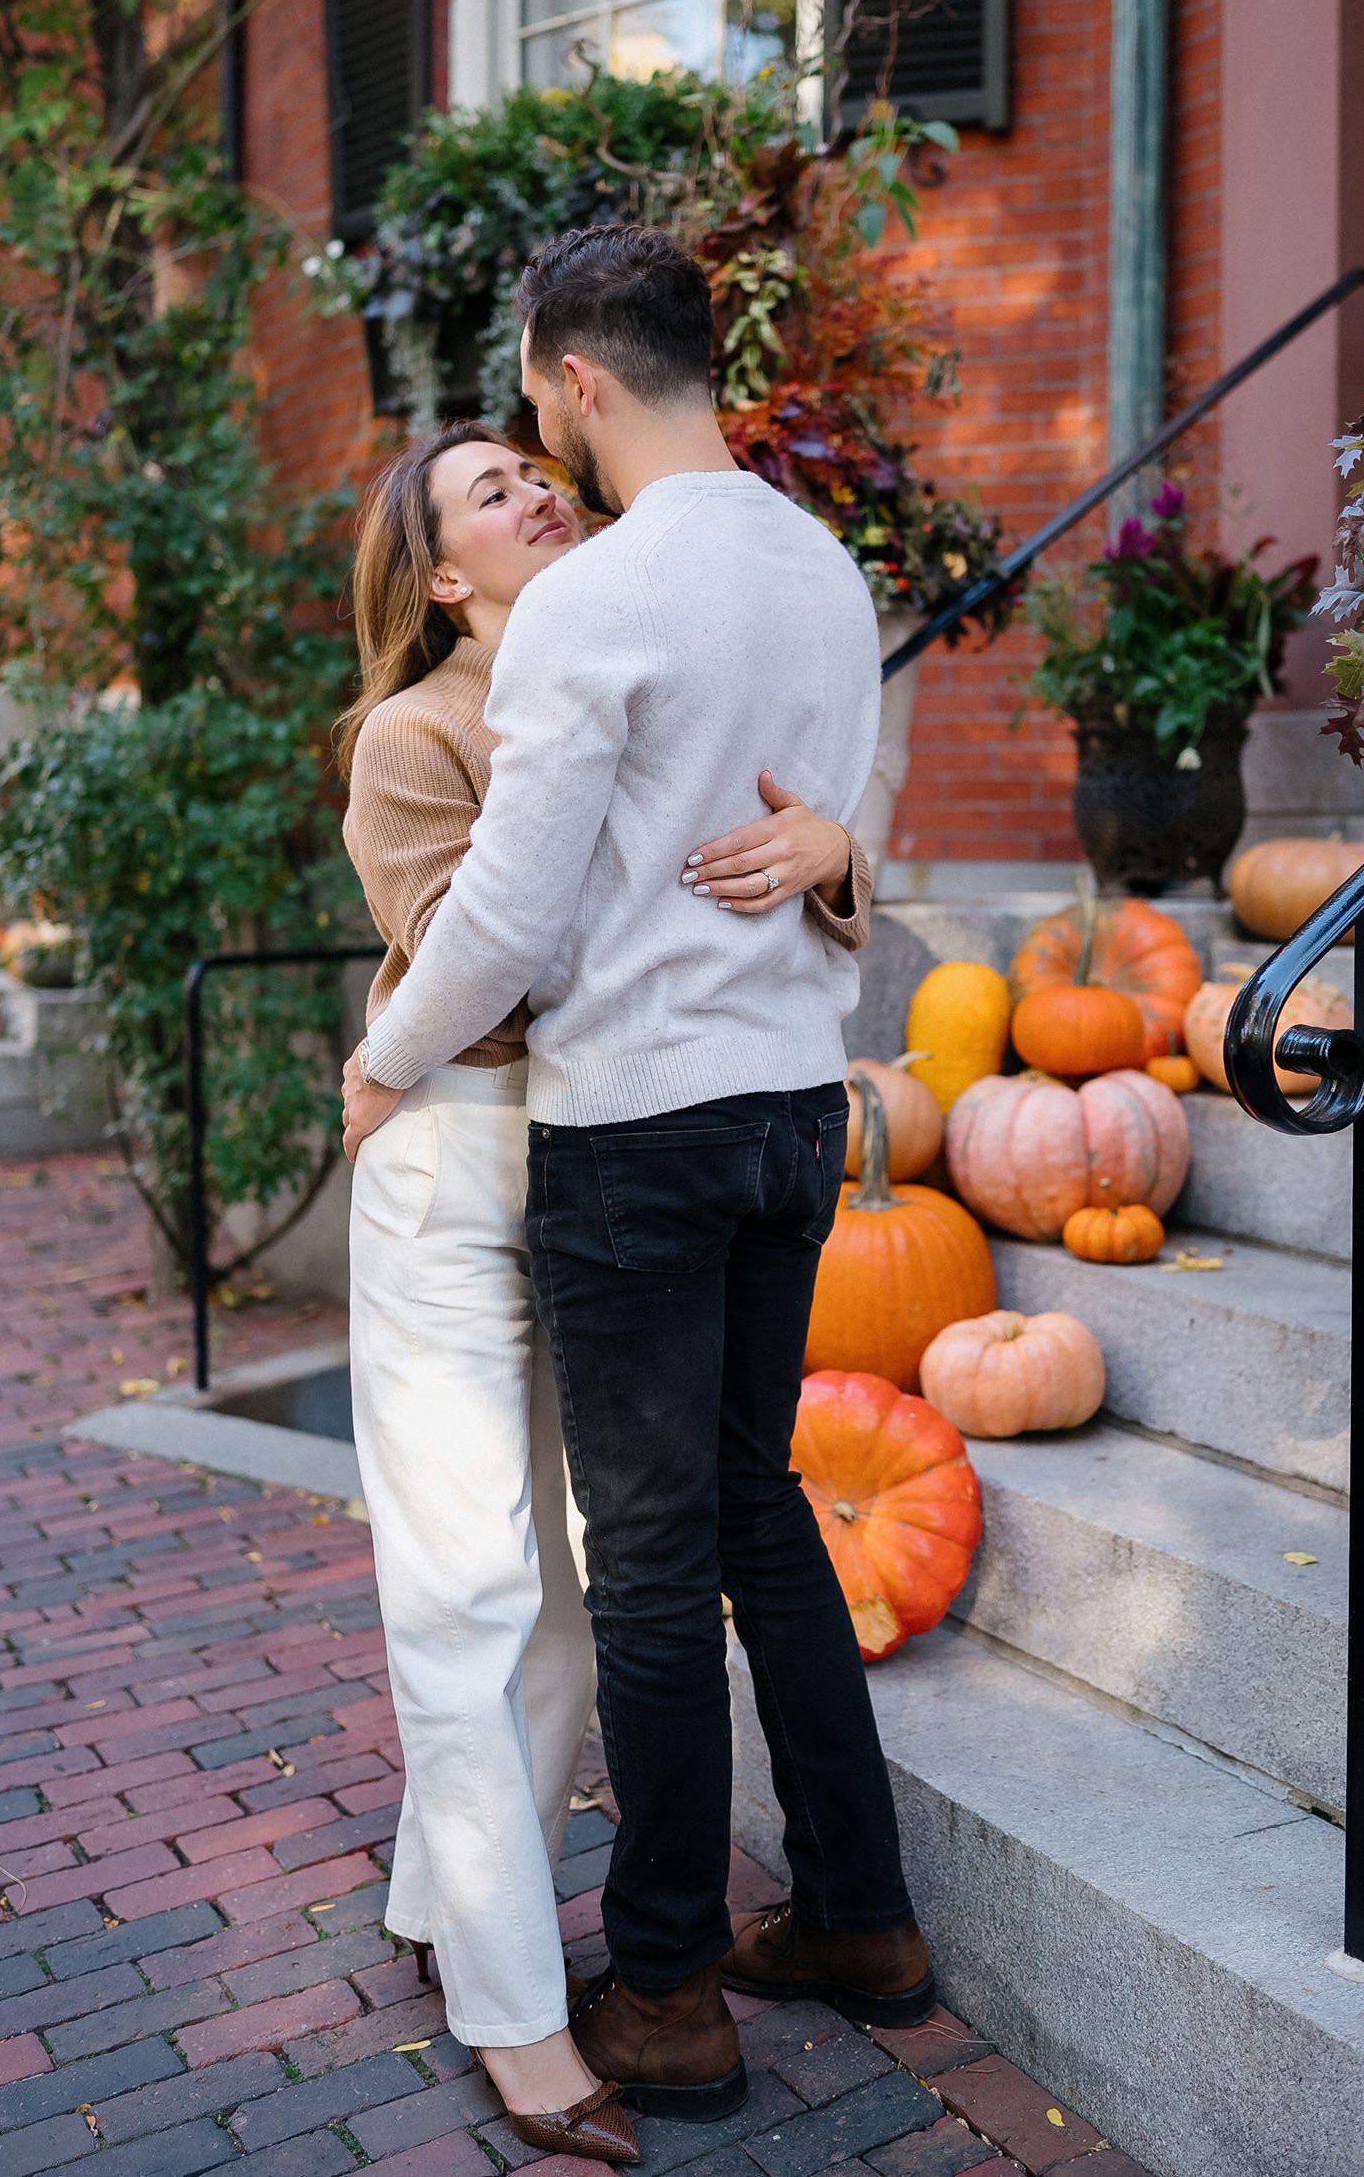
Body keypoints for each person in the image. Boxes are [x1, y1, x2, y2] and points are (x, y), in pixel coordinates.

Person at [342, 224, 935, 2124]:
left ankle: (668, 1990)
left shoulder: (600, 599)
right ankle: (857, 1913)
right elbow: (846, 825)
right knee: (760, 1521)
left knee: (660, 1568)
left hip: (643, 1123)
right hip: (794, 1107)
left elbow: (510, 911)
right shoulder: (822, 569)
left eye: (533, 409)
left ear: (576, 381)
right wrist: (842, 856)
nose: (537, 441)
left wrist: (383, 1056)